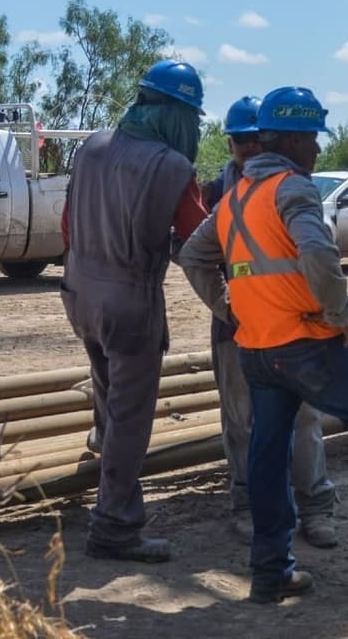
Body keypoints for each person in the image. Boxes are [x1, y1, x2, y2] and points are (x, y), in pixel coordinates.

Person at [178, 86, 348, 603]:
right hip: (310, 343)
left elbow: (192, 255)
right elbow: (319, 255)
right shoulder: (292, 189)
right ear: (294, 140)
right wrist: (339, 314)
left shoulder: (233, 200)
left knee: (267, 453)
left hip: (257, 349)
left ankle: (271, 571)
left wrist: (228, 308)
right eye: (314, 139)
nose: (318, 150)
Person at [59, 59, 209, 564]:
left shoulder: (92, 147)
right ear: (177, 114)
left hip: (80, 296)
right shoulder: (171, 167)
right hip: (130, 307)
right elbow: (201, 240)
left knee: (108, 407)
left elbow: (67, 229)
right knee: (129, 420)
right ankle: (115, 528)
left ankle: (109, 495)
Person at [202, 95, 338, 548]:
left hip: (294, 326)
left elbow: (316, 253)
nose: (247, 149)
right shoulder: (214, 195)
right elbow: (192, 255)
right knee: (241, 424)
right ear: (230, 144)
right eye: (239, 141)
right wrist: (226, 307)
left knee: (303, 420)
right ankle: (248, 507)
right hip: (237, 331)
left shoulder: (288, 189)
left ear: (267, 138)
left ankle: (315, 507)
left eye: (253, 140)